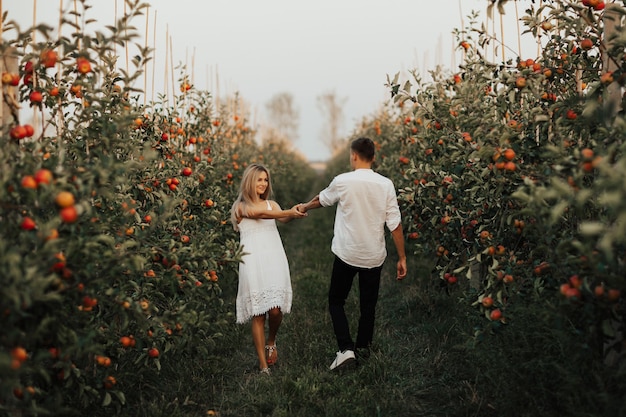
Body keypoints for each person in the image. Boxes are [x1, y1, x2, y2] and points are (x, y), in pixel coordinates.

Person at [298, 137, 407, 371]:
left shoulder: (343, 181)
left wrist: (305, 206)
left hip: (347, 253)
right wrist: (402, 257)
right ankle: (364, 352)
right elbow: (395, 224)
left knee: (336, 301)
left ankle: (346, 349)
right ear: (374, 158)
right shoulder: (386, 184)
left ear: (354, 155)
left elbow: (323, 200)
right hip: (373, 255)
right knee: (368, 306)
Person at [230, 163, 306, 375]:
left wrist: (297, 210)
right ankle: (263, 365)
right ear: (249, 182)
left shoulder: (272, 204)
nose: (263, 183)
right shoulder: (241, 207)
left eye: (265, 179)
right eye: (259, 179)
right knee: (258, 313)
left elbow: (282, 217)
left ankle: (271, 340)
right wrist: (286, 211)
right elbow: (259, 214)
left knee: (275, 310)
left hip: (273, 256)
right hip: (253, 260)